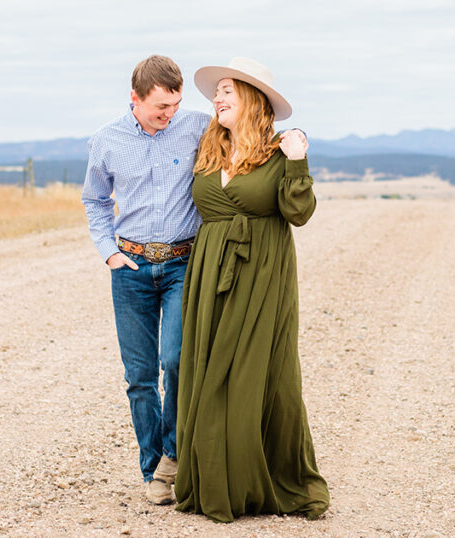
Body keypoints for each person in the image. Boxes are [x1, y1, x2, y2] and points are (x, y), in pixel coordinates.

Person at [174, 57, 330, 522]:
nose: (217, 99)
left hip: (263, 273)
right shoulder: (206, 147)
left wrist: (299, 162)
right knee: (208, 371)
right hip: (209, 274)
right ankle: (213, 482)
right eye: (216, 92)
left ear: (252, 100)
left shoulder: (282, 149)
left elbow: (299, 213)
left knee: (260, 375)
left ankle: (262, 480)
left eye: (226, 91)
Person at [81, 55, 210, 505]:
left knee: (175, 362)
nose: (169, 114)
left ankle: (173, 463)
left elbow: (249, 136)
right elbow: (95, 200)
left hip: (181, 265)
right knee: (139, 376)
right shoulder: (106, 141)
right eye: (160, 107)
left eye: (175, 105)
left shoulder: (198, 126)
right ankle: (150, 469)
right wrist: (109, 253)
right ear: (134, 99)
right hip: (131, 269)